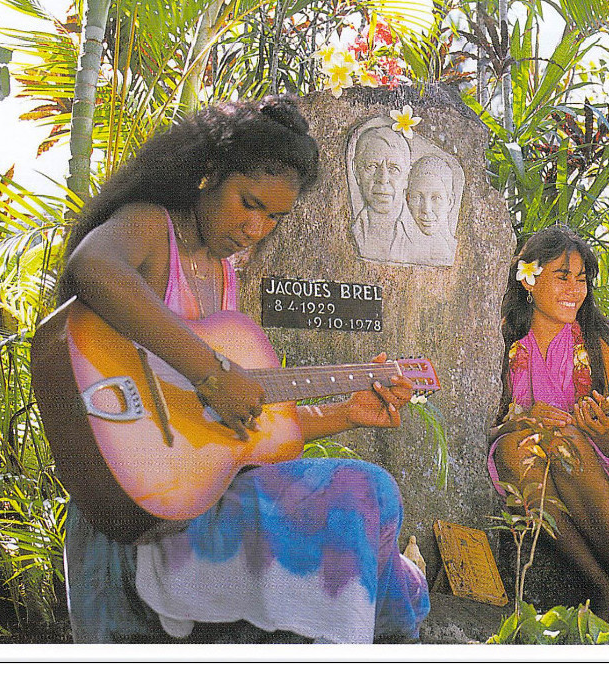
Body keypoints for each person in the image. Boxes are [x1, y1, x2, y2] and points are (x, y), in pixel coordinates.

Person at [57, 96, 430, 644]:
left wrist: (344, 413)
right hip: (134, 512)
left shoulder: (224, 277)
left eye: (275, 216)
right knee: (360, 490)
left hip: (197, 501)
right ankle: (401, 604)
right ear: (206, 174)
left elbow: (236, 436)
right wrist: (210, 371)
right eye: (248, 203)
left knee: (373, 490)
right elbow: (92, 267)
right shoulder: (149, 227)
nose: (256, 228)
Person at [487, 225, 609, 635]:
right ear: (528, 279)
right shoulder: (502, 339)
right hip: (525, 461)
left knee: (568, 440)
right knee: (511, 449)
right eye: (562, 276)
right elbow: (490, 424)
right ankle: (606, 589)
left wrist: (601, 428)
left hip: (590, 467)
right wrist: (521, 420)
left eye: (582, 279)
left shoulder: (597, 341)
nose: (575, 289)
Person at [349, 126, 418, 262]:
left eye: (394, 169)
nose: (382, 179)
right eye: (372, 166)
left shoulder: (426, 239)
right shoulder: (354, 229)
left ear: (407, 178)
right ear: (356, 172)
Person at [405, 155, 457, 265]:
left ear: (450, 202)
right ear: (408, 199)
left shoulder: (447, 250)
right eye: (418, 197)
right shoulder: (397, 244)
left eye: (436, 198)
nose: (426, 209)